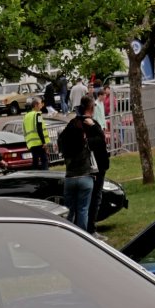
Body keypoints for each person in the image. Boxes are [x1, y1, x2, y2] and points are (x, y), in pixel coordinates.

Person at [58, 97, 97, 231]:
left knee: (69, 210)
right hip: (85, 176)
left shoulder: (68, 146)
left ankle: (68, 233)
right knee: (83, 210)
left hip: (70, 177)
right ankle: (83, 235)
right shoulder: (84, 144)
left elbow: (61, 138)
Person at [84, 101, 111, 234]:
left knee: (88, 198)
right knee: (95, 198)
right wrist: (95, 127)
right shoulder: (90, 123)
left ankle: (87, 227)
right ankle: (91, 228)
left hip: (86, 166)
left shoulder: (76, 123)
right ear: (91, 108)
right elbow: (101, 139)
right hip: (95, 166)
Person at [22, 97, 50, 170]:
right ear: (36, 105)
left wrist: (27, 143)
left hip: (31, 143)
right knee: (44, 160)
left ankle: (35, 177)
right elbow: (39, 128)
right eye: (41, 103)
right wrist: (44, 142)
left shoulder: (26, 116)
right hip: (39, 142)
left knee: (35, 161)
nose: (42, 105)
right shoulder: (38, 115)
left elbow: (24, 131)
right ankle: (45, 178)